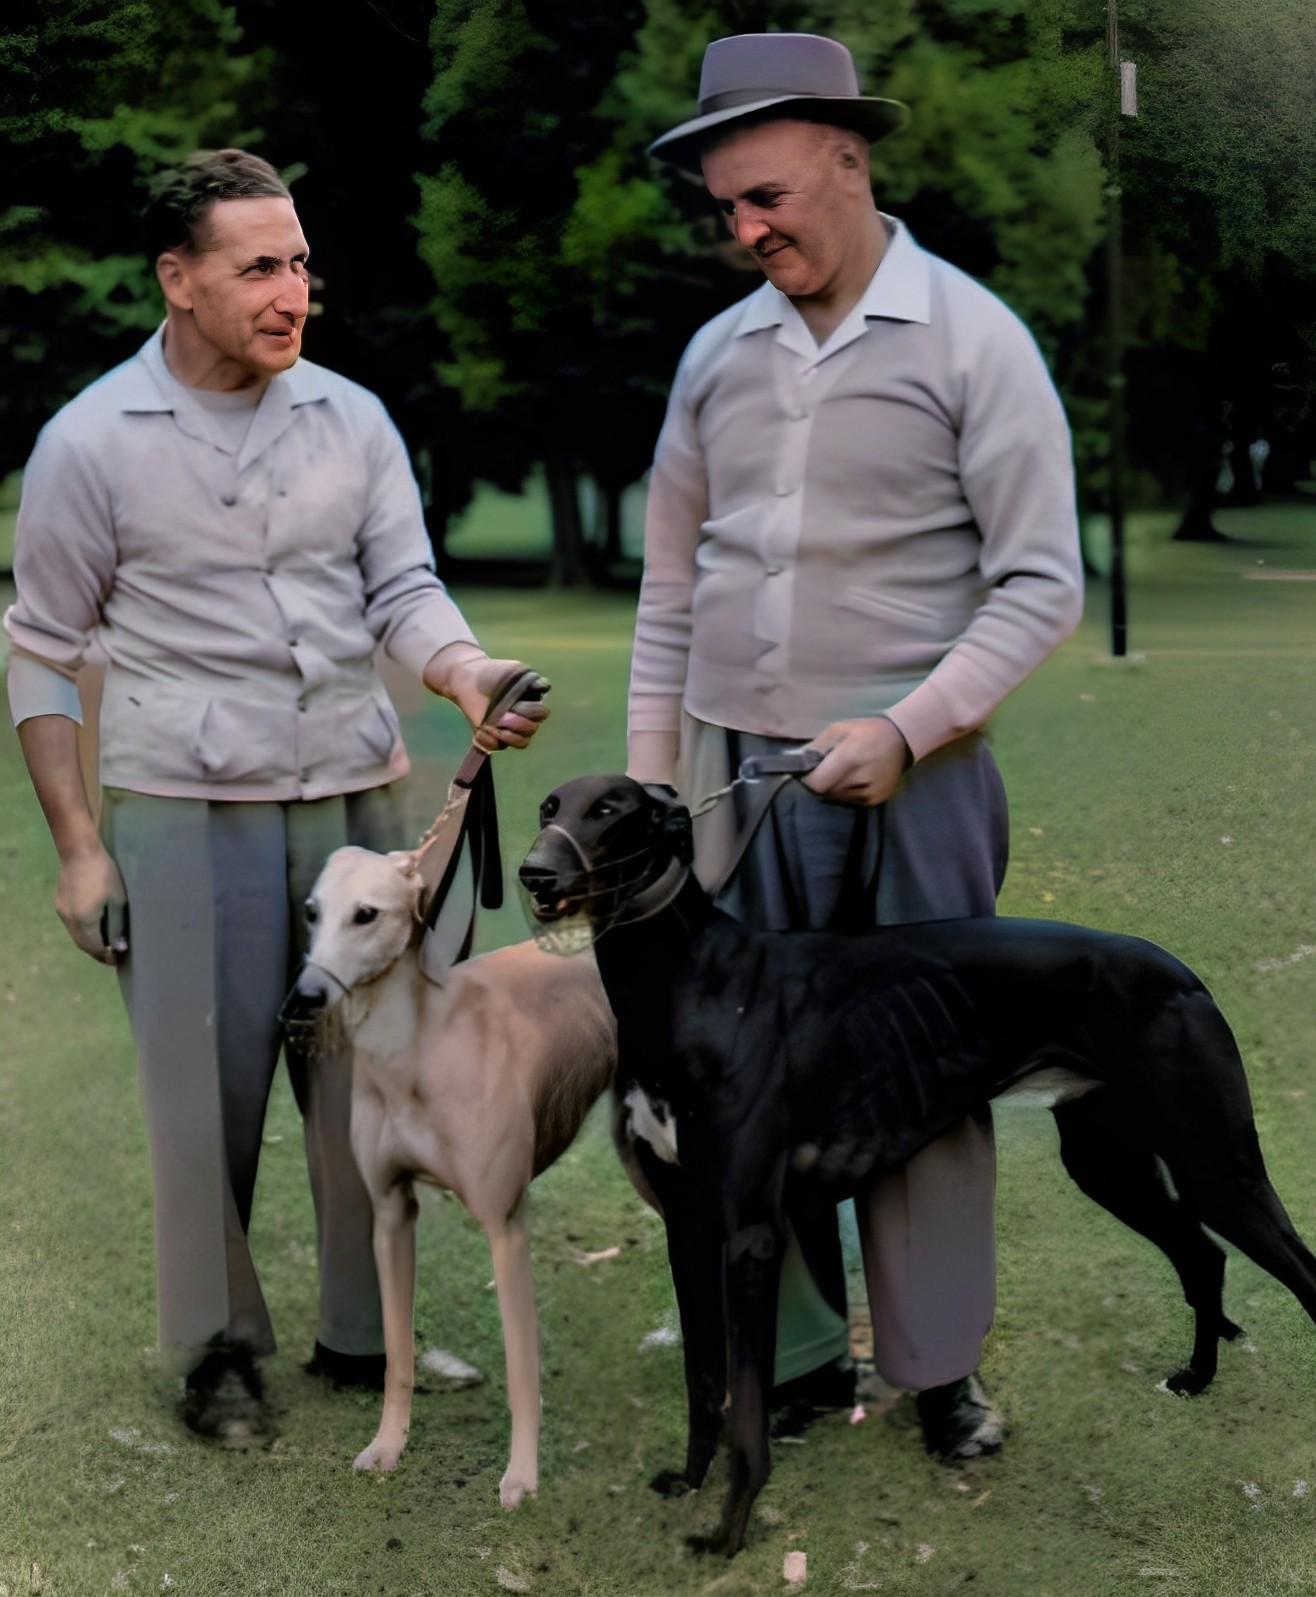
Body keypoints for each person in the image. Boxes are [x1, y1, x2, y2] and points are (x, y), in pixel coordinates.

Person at [5, 148, 549, 1443]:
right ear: (178, 279)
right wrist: (79, 847)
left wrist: (467, 671)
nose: (293, 290)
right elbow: (41, 652)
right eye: (260, 266)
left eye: (300, 262)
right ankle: (216, 1353)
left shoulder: (352, 421)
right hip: (182, 807)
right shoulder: (89, 441)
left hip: (357, 796)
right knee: (203, 1094)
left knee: (370, 1070)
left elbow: (404, 590)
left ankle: (366, 1334)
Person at [630, 35, 1084, 1457]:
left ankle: (939, 1369)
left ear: (848, 159)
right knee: (738, 1070)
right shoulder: (716, 356)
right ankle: (801, 1356)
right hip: (737, 780)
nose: (745, 232)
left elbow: (1042, 585)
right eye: (725, 209)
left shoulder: (974, 339)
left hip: (916, 780)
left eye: (765, 197)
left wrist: (909, 726)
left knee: (925, 1072)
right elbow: (669, 584)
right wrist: (650, 780)